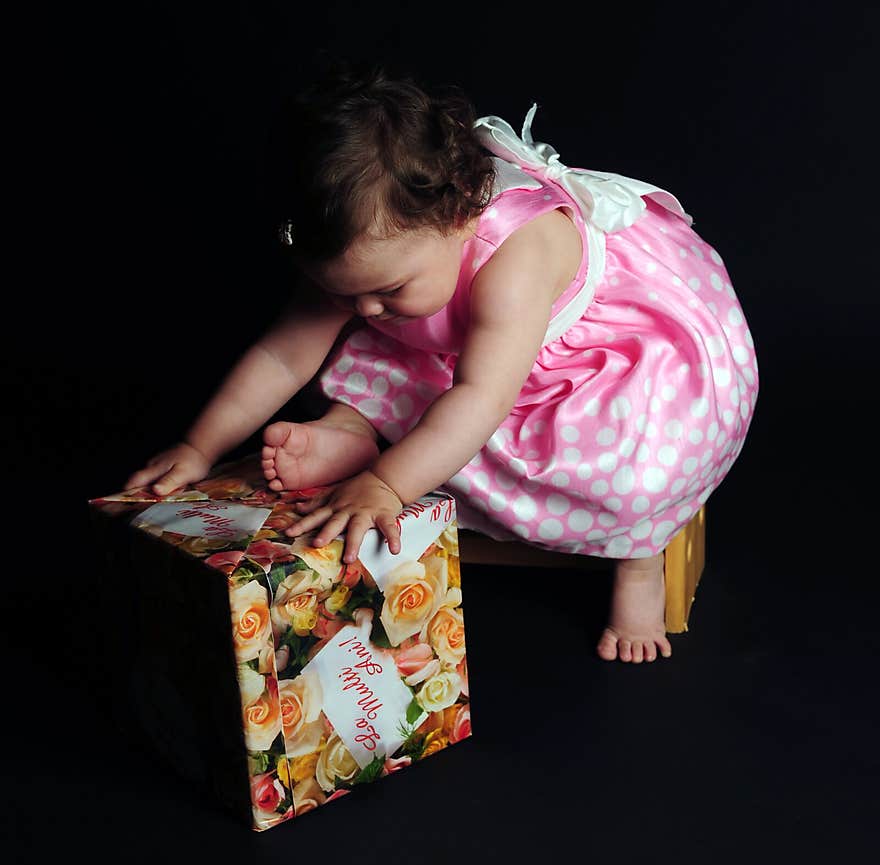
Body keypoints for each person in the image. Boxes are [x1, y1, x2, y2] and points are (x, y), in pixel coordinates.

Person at [125, 61, 758, 664]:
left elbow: (483, 397)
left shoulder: (516, 256)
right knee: (359, 348)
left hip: (595, 368)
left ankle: (638, 553)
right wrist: (198, 447)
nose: (365, 308)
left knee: (629, 472)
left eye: (387, 289)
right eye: (345, 292)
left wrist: (389, 486)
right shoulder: (377, 260)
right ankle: (354, 431)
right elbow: (280, 354)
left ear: (457, 217)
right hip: (468, 360)